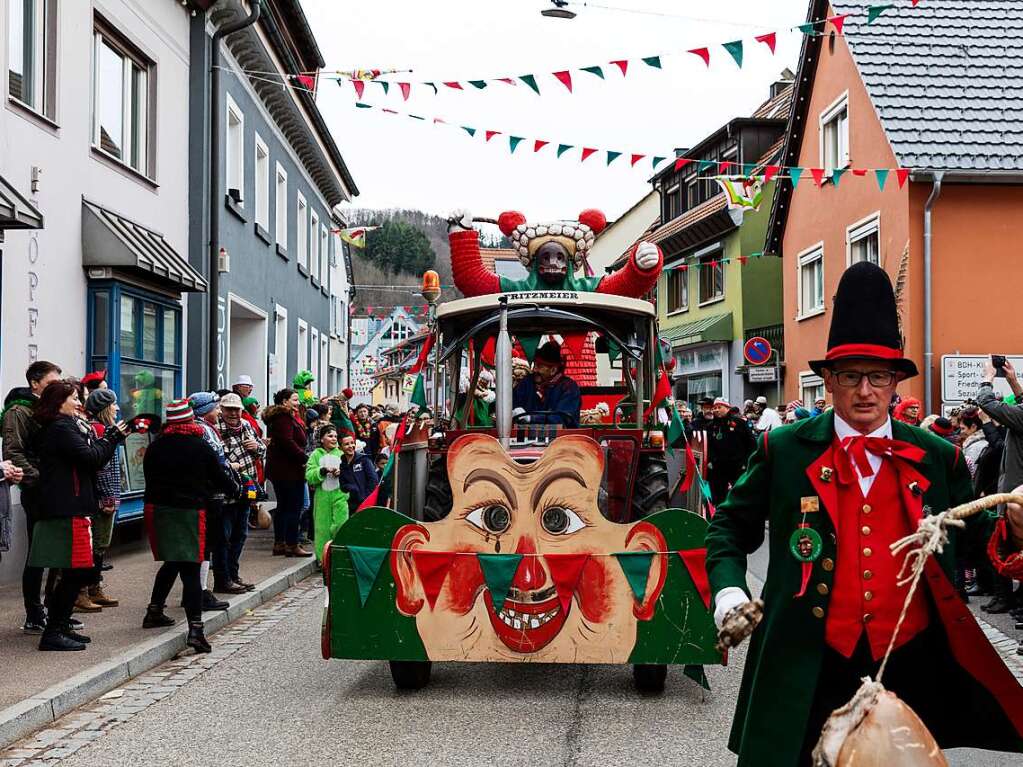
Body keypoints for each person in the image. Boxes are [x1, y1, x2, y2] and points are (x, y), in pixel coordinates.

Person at [706, 262, 1023, 766]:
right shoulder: (783, 449)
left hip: (909, 658)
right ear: (828, 380)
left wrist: (1014, 529)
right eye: (851, 376)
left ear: (896, 381)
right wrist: (729, 593)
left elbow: (975, 535)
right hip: (807, 658)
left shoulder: (937, 456)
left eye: (879, 376)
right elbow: (728, 528)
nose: (866, 391)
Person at [30, 381, 127, 650]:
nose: (78, 403)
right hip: (66, 509)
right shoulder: (61, 428)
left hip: (74, 507)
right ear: (58, 401)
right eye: (73, 398)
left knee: (79, 572)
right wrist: (114, 437)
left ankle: (59, 626)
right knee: (75, 572)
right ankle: (52, 632)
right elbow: (92, 458)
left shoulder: (65, 426)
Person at [142, 399, 239, 654]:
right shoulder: (200, 446)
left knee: (172, 561)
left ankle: (154, 611)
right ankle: (196, 630)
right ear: (190, 420)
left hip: (159, 511)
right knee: (191, 570)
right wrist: (235, 489)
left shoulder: (155, 446)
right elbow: (220, 477)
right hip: (189, 512)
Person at [2, 360, 63, 633]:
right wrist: (40, 478)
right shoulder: (18, 411)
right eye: (51, 383)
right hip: (37, 490)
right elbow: (13, 452)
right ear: (35, 383)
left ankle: (55, 608)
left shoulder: (50, 408)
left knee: (59, 553)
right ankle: (34, 613)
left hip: (56, 489)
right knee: (37, 554)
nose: (56, 389)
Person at [975, 360, 1023, 616]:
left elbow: (987, 403)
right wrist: (1013, 381)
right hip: (1016, 495)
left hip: (1018, 499)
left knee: (1012, 554)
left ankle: (1013, 604)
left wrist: (988, 378)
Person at [215, 393, 265, 593]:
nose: (233, 413)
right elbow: (216, 459)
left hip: (247, 489)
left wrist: (257, 447)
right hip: (226, 492)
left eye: (236, 409)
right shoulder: (216, 428)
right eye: (229, 409)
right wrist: (230, 464)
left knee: (240, 535)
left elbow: (261, 449)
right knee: (223, 537)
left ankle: (234, 575)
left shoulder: (245, 425)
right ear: (222, 410)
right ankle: (223, 578)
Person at [83, 389, 122, 609]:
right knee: (96, 546)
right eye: (113, 405)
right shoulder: (100, 430)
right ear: (104, 408)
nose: (116, 409)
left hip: (105, 497)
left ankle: (94, 587)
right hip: (101, 499)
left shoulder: (106, 430)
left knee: (99, 547)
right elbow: (103, 470)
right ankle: (89, 589)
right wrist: (108, 498)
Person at [263, 389, 311, 557]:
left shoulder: (285, 417)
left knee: (284, 506)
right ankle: (291, 544)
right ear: (284, 402)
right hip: (288, 470)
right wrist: (304, 458)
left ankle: (280, 543)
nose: (298, 403)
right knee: (293, 507)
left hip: (284, 469)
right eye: (295, 399)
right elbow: (287, 442)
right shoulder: (283, 418)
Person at [305, 425, 349, 563]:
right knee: (322, 529)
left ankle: (340, 557)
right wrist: (322, 471)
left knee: (341, 524)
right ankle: (323, 561)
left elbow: (350, 474)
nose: (334, 439)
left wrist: (341, 473)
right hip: (322, 497)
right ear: (322, 439)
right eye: (330, 436)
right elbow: (309, 475)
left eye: (335, 436)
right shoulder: (316, 455)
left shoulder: (342, 454)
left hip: (340, 495)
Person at [511, 341, 581, 428]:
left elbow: (562, 418)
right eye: (535, 365)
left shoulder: (569, 388)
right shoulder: (527, 382)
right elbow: (513, 403)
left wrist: (531, 418)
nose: (535, 370)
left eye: (540, 366)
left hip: (561, 438)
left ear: (553, 370)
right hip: (525, 436)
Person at [705, 397, 755, 505]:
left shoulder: (739, 423)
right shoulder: (710, 426)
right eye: (714, 408)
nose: (716, 410)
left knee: (739, 495)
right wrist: (710, 460)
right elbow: (707, 446)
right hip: (717, 467)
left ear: (727, 408)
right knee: (718, 498)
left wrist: (746, 462)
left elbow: (751, 444)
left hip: (737, 466)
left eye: (719, 407)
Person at [339, 433, 379, 511]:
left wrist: (365, 498)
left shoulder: (364, 460)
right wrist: (352, 488)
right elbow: (343, 486)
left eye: (352, 443)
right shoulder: (342, 465)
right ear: (340, 448)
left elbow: (374, 480)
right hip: (352, 506)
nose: (350, 446)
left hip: (367, 504)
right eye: (346, 444)